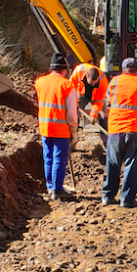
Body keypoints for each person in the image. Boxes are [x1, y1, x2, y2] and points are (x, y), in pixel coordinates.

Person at [102, 58, 137, 208]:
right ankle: (126, 200)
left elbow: (107, 101)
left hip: (115, 131)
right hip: (135, 130)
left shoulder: (113, 82)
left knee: (112, 164)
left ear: (123, 70)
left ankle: (107, 196)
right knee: (131, 167)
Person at [34, 53, 78, 201]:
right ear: (64, 70)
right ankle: (57, 189)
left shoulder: (40, 82)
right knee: (59, 158)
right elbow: (72, 114)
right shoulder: (67, 85)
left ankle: (51, 186)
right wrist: (74, 131)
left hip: (45, 127)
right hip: (61, 129)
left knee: (48, 158)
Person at [69, 62, 109, 145]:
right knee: (74, 115)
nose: (93, 84)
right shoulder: (79, 70)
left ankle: (106, 141)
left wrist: (93, 115)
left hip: (96, 95)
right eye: (91, 83)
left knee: (103, 115)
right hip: (82, 93)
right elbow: (70, 87)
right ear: (87, 76)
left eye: (95, 83)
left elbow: (100, 100)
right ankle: (72, 140)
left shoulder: (103, 81)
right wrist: (74, 102)